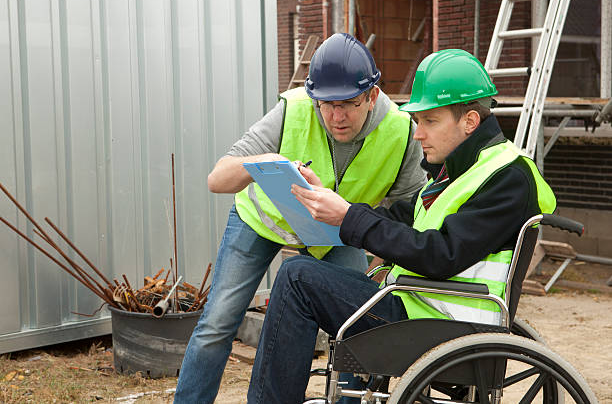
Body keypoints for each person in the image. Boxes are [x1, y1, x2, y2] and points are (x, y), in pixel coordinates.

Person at [246, 49, 557, 404]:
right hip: (420, 308)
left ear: (470, 121)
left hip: (442, 322)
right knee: (298, 273)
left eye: (429, 121)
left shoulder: (507, 177)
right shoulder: (457, 171)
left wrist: (348, 217)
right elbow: (396, 221)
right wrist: (336, 206)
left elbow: (441, 255)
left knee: (297, 277)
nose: (417, 134)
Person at [174, 33, 427, 403]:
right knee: (217, 323)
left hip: (335, 234)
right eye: (326, 105)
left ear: (372, 96)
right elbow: (217, 179)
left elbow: (411, 211)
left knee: (359, 325)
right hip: (260, 222)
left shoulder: (402, 132)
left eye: (349, 104)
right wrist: (259, 162)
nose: (337, 117)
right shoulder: (292, 109)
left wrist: (378, 258)